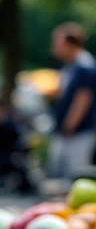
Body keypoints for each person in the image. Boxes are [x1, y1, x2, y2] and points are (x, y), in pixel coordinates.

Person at [48, 23, 96, 181]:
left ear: (70, 44)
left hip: (78, 132)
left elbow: (83, 98)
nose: (54, 48)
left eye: (58, 43)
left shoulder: (84, 66)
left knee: (76, 174)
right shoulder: (71, 66)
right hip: (69, 132)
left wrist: (69, 125)